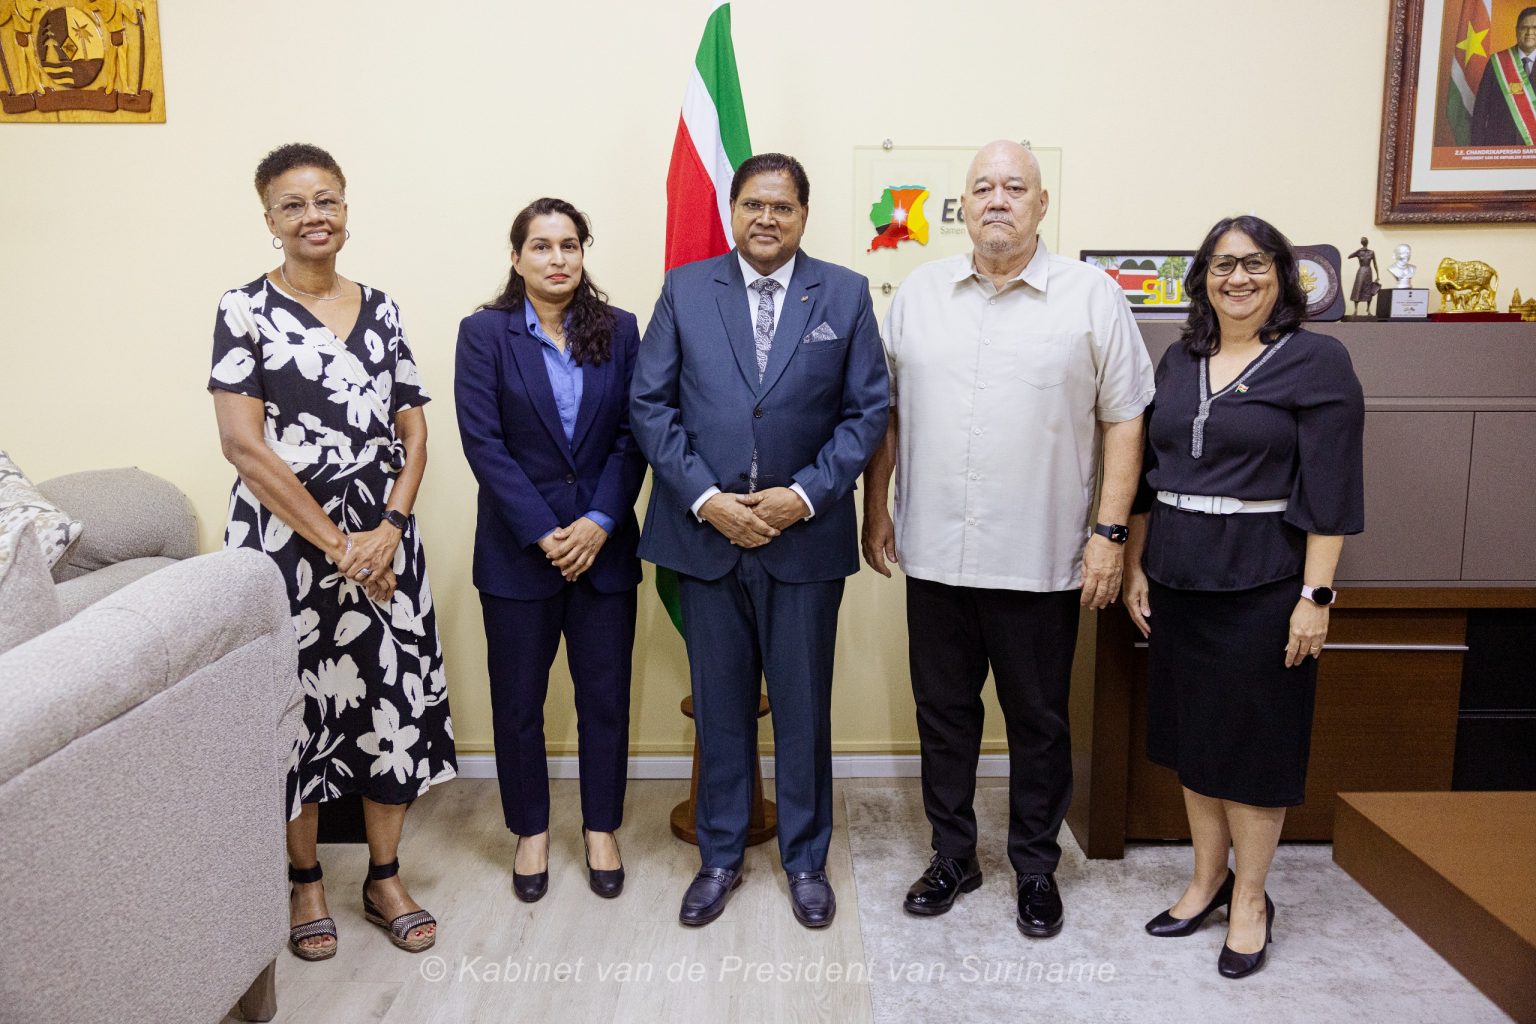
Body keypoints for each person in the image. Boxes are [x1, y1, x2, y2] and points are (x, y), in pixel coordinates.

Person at [862, 140, 1154, 939]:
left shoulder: (1092, 298)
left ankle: (1034, 866)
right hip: (935, 553)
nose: (998, 199)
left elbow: (1126, 418)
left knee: (1039, 724)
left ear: (1041, 204)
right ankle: (953, 856)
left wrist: (1110, 534)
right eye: (984, 187)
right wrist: (876, 506)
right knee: (943, 717)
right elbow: (886, 414)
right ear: (964, 204)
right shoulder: (918, 296)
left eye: (1015, 187)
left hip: (1041, 557)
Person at [631, 152, 889, 929]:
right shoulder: (684, 289)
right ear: (732, 210)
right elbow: (650, 406)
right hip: (704, 536)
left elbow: (867, 412)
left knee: (803, 710)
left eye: (782, 206)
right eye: (753, 204)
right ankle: (720, 857)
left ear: (803, 215)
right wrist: (709, 500)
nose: (766, 218)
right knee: (722, 709)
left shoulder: (844, 292)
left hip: (803, 541)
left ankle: (806, 861)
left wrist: (803, 496)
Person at [209, 143, 454, 961]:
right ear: (269, 220)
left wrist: (389, 528)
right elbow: (244, 447)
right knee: (295, 713)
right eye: (293, 204)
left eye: (326, 200)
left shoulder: (382, 308)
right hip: (287, 548)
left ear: (346, 209)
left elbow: (415, 434)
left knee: (389, 706)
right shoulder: (243, 309)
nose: (313, 216)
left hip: (384, 540)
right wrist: (339, 543)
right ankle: (305, 882)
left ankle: (384, 876)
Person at [1122, 215, 1364, 979]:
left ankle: (1252, 899)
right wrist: (1135, 566)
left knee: (1255, 750)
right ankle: (1207, 883)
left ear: (1282, 275)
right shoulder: (1179, 359)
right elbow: (1151, 477)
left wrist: (1316, 595)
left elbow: (1331, 488)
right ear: (1202, 278)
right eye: (1223, 264)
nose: (1238, 278)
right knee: (1195, 740)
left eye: (1255, 263)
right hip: (1178, 580)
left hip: (1265, 584)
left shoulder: (1317, 361)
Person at [454, 198, 646, 902]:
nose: (557, 258)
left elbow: (635, 433)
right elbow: (484, 442)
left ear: (583, 253)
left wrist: (599, 520)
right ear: (517, 258)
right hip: (517, 553)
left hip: (604, 550)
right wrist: (544, 530)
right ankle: (530, 831)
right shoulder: (484, 334)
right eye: (541, 246)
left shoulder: (620, 330)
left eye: (569, 245)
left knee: (605, 700)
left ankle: (601, 828)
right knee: (518, 705)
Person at [1469, 6, 1536, 146]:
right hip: (1500, 147)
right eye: (1524, 27)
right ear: (1516, 30)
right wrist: (1478, 149)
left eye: (1535, 28)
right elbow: (1481, 109)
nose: (1530, 32)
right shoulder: (1497, 62)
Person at [1347, 238, 1378, 316]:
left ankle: (1368, 309)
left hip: (1368, 271)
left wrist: (1378, 275)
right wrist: (1357, 251)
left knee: (1369, 290)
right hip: (1361, 271)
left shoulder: (1371, 252)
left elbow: (1375, 264)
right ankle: (1355, 310)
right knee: (1358, 288)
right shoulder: (1359, 252)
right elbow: (1349, 256)